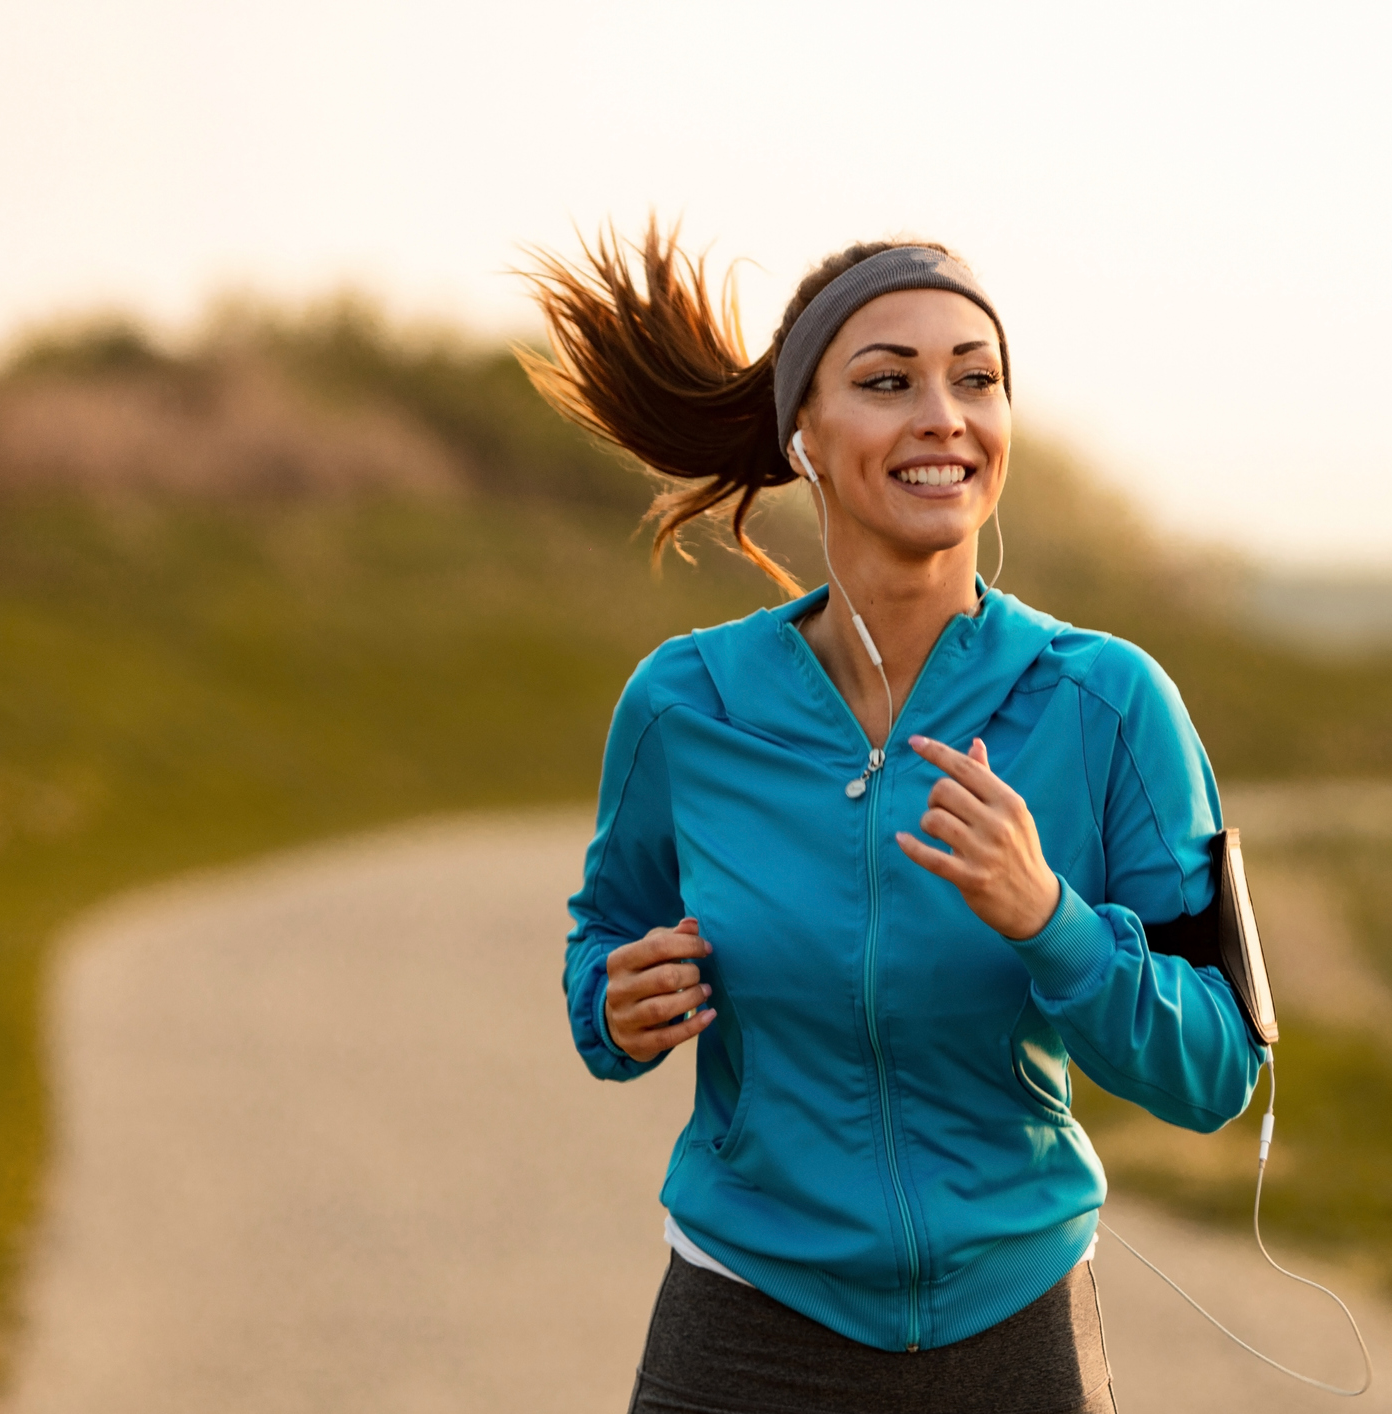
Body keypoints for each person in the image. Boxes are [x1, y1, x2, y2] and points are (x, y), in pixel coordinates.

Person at [524, 224, 1264, 1414]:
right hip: (744, 1321)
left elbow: (1218, 1068)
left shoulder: (1108, 703)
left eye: (977, 378)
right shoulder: (687, 704)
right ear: (801, 434)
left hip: (1011, 1331)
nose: (944, 415)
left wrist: (1052, 920)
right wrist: (611, 1004)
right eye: (887, 382)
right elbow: (600, 943)